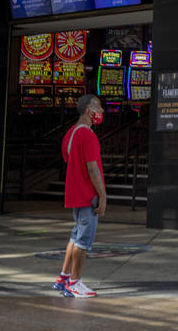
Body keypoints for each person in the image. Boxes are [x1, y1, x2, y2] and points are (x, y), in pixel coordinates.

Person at [54, 94, 108, 298]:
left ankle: (64, 277)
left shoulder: (70, 134)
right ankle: (74, 283)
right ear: (89, 110)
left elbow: (70, 160)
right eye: (99, 107)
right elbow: (93, 169)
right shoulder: (88, 135)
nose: (101, 112)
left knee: (75, 236)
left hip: (75, 194)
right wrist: (102, 196)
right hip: (87, 195)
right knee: (83, 241)